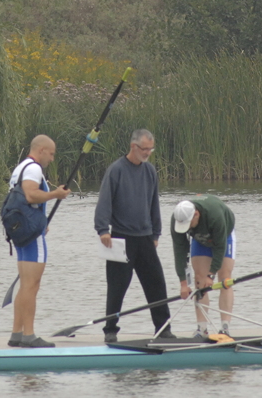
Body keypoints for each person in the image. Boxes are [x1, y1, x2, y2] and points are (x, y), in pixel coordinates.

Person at [94, 129, 176, 343]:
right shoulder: (116, 170)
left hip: (146, 237)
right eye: (145, 149)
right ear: (133, 147)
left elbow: (154, 205)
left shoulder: (150, 171)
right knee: (117, 287)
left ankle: (163, 328)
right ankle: (110, 330)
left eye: (151, 149)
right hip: (121, 238)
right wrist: (103, 229)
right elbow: (104, 201)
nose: (148, 153)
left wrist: (156, 233)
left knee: (156, 283)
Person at [8, 135, 71, 348]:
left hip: (20, 232)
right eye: (51, 154)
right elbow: (30, 195)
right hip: (32, 237)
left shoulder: (20, 168)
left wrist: (39, 220)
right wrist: (55, 194)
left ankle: (16, 334)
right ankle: (29, 336)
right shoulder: (34, 169)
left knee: (25, 284)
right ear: (42, 150)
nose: (52, 159)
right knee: (32, 285)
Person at [171, 196, 236, 339]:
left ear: (196, 214)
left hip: (223, 236)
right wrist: (183, 283)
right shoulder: (178, 217)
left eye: (188, 223)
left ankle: (225, 328)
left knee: (224, 278)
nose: (186, 227)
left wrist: (211, 275)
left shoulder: (214, 215)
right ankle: (202, 329)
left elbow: (220, 248)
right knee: (199, 280)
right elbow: (179, 251)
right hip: (200, 240)